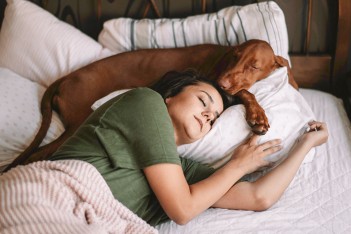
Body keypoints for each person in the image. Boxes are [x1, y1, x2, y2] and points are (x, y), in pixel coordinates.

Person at [49, 69, 328, 226]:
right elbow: (182, 209)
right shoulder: (145, 102)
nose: (208, 115)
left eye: (214, 119)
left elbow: (259, 197)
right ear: (170, 96)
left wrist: (305, 144)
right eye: (203, 101)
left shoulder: (183, 175)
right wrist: (238, 166)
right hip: (52, 197)